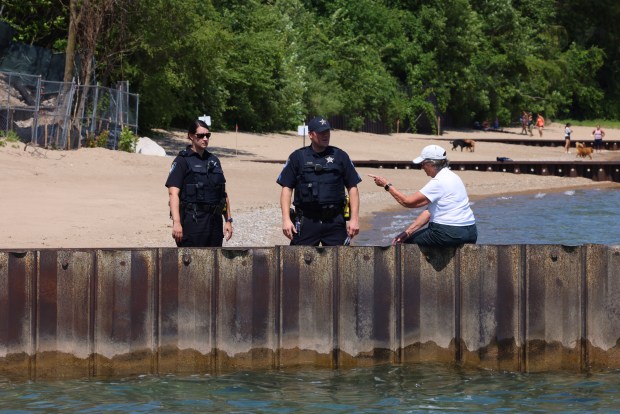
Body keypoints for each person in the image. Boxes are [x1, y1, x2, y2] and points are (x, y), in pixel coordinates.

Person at [369, 144, 477, 247]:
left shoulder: (438, 181)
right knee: (409, 237)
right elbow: (429, 211)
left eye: (423, 163)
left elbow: (407, 202)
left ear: (431, 164)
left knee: (406, 246)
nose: (421, 167)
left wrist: (386, 185)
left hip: (449, 232)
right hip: (471, 231)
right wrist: (407, 232)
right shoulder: (454, 177)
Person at [277, 116, 361, 246]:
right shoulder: (297, 157)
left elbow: (353, 188)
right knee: (299, 263)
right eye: (321, 132)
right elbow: (287, 188)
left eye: (327, 132)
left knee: (341, 263)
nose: (325, 135)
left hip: (335, 221)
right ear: (310, 135)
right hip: (307, 221)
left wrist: (354, 219)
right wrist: (286, 219)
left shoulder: (340, 156)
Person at [165, 120, 233, 247]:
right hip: (193, 223)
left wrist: (228, 220)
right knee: (191, 263)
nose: (205, 139)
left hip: (214, 223)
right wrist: (177, 222)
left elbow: (223, 194)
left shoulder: (214, 160)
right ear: (191, 136)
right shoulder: (182, 161)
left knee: (214, 262)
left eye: (208, 135)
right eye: (201, 136)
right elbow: (173, 194)